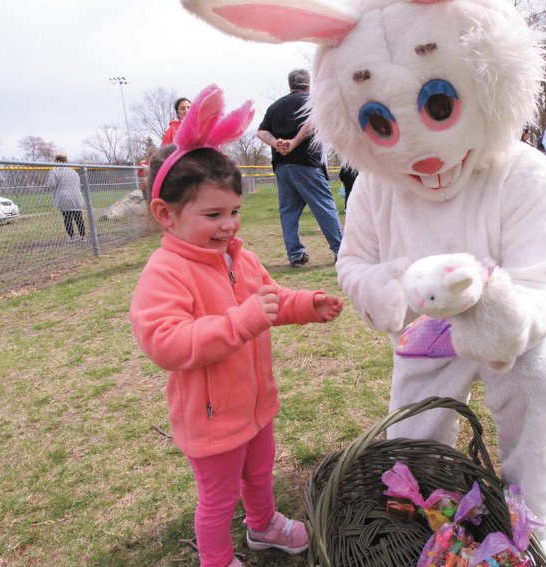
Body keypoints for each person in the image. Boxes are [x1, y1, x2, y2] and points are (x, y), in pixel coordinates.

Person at [129, 85, 344, 567]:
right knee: (217, 500)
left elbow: (271, 300)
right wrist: (239, 322)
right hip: (210, 419)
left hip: (255, 403)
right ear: (166, 214)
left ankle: (264, 525)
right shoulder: (166, 272)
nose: (229, 225)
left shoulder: (237, 257)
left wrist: (306, 304)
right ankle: (218, 560)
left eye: (234, 212)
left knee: (260, 473)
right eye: (213, 215)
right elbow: (165, 342)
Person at [257, 69, 343, 267]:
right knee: (324, 207)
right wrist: (294, 142)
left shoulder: (275, 106)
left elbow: (261, 132)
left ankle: (295, 255)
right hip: (306, 163)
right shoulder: (313, 101)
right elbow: (313, 122)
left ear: (290, 85)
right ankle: (341, 250)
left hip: (282, 165)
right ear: (308, 84)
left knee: (288, 211)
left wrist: (277, 143)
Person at [46, 153, 86, 243]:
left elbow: (51, 185)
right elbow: (78, 184)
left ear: (57, 161)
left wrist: (47, 187)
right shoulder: (73, 171)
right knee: (78, 217)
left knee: (67, 218)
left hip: (64, 197)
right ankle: (83, 236)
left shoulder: (55, 171)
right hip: (77, 197)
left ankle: (71, 237)